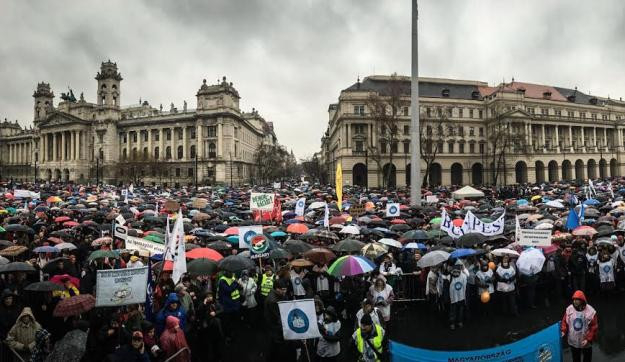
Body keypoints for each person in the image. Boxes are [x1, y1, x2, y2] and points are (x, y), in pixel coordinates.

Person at [264, 278, 296, 362]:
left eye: (285, 289)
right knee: (278, 348)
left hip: (276, 327)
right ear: (277, 288)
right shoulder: (273, 301)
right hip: (276, 328)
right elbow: (279, 317)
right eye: (283, 290)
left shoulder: (278, 295)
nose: (285, 291)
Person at [561, 290, 598, 362]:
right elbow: (564, 321)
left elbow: (594, 327)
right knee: (575, 358)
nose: (575, 301)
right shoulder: (569, 309)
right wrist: (563, 330)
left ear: (582, 300)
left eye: (577, 300)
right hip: (573, 340)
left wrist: (588, 339)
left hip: (586, 341)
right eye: (574, 299)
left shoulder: (590, 311)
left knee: (587, 358)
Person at [448, 264, 467, 330]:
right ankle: (452, 323)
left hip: (461, 296)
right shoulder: (449, 276)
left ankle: (460, 321)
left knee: (460, 311)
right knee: (453, 311)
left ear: (460, 271)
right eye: (454, 271)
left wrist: (464, 296)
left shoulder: (464, 276)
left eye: (457, 271)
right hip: (453, 297)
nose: (456, 273)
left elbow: (465, 287)